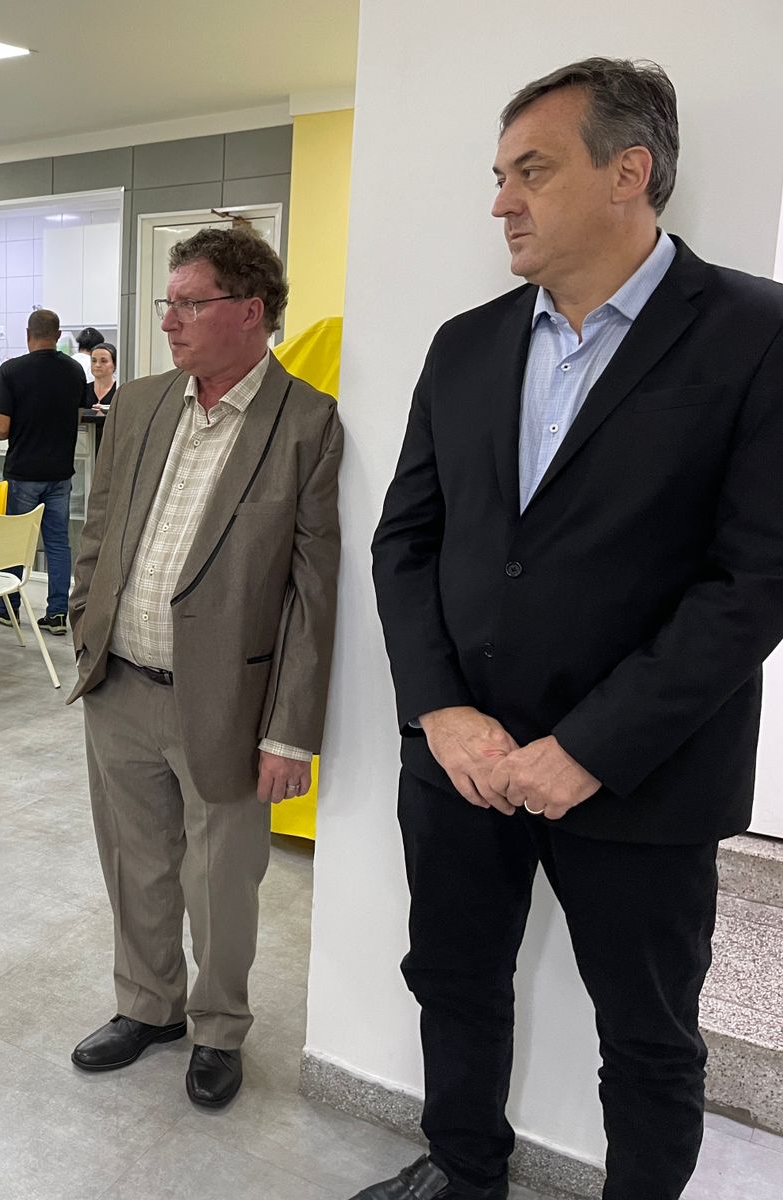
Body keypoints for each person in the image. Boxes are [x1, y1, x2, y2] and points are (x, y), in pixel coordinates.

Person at [363, 59, 783, 1200]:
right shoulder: (465, 344)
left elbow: (754, 580)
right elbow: (406, 541)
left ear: (627, 172)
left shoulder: (755, 333)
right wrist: (440, 710)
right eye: (499, 175)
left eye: (531, 171)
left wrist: (589, 747)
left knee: (647, 1037)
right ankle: (463, 1173)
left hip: (645, 776)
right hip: (459, 760)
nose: (501, 201)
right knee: (452, 981)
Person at [67, 225, 342, 1110]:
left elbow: (313, 592)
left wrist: (290, 732)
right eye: (169, 303)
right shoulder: (141, 404)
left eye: (189, 304)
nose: (169, 322)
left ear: (250, 310)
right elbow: (99, 529)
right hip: (120, 685)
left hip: (228, 702)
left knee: (220, 880)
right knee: (134, 861)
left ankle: (219, 1027)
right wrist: (84, 627)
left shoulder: (306, 423)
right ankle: (148, 1006)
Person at [0, 308, 88, 635]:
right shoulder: (74, 370)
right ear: (57, 336)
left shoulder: (12, 370)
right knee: (58, 543)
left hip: (24, 473)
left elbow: (2, 429)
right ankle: (57, 614)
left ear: (28, 335)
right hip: (60, 473)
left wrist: (0, 426)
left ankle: (8, 608)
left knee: (16, 542)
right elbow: (78, 417)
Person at [84, 342, 118, 411]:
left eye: (103, 361)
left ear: (114, 365)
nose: (97, 365)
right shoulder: (83, 390)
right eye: (94, 361)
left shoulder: (119, 391)